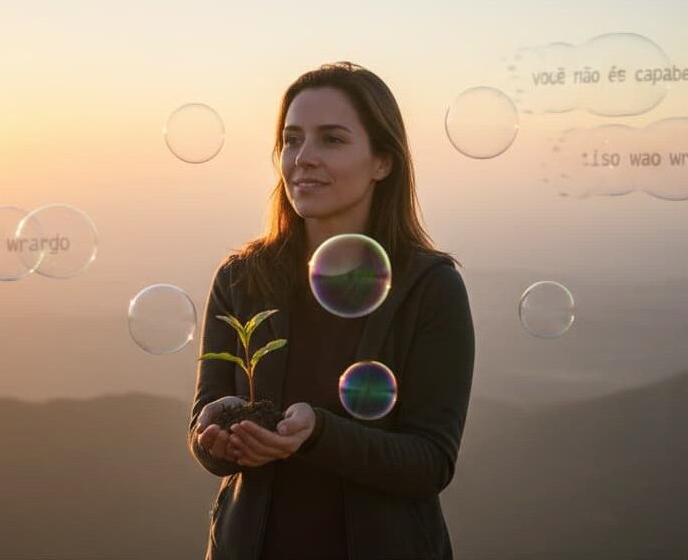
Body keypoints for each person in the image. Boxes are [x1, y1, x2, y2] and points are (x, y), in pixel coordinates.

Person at [188, 61, 475, 560]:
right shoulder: (241, 278)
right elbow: (206, 422)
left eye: (332, 139)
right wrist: (213, 438)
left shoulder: (429, 287)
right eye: (292, 139)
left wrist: (318, 434)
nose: (304, 157)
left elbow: (431, 462)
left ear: (383, 161)